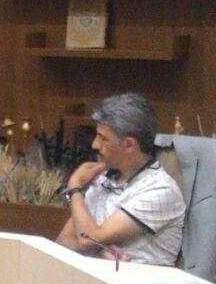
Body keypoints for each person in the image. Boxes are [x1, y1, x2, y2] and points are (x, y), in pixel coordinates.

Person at [55, 92, 185, 266]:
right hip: (96, 277)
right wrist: (99, 252)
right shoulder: (104, 178)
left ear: (129, 145)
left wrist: (75, 187)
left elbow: (86, 240)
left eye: (103, 138)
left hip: (139, 282)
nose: (95, 145)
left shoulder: (160, 190)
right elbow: (63, 243)